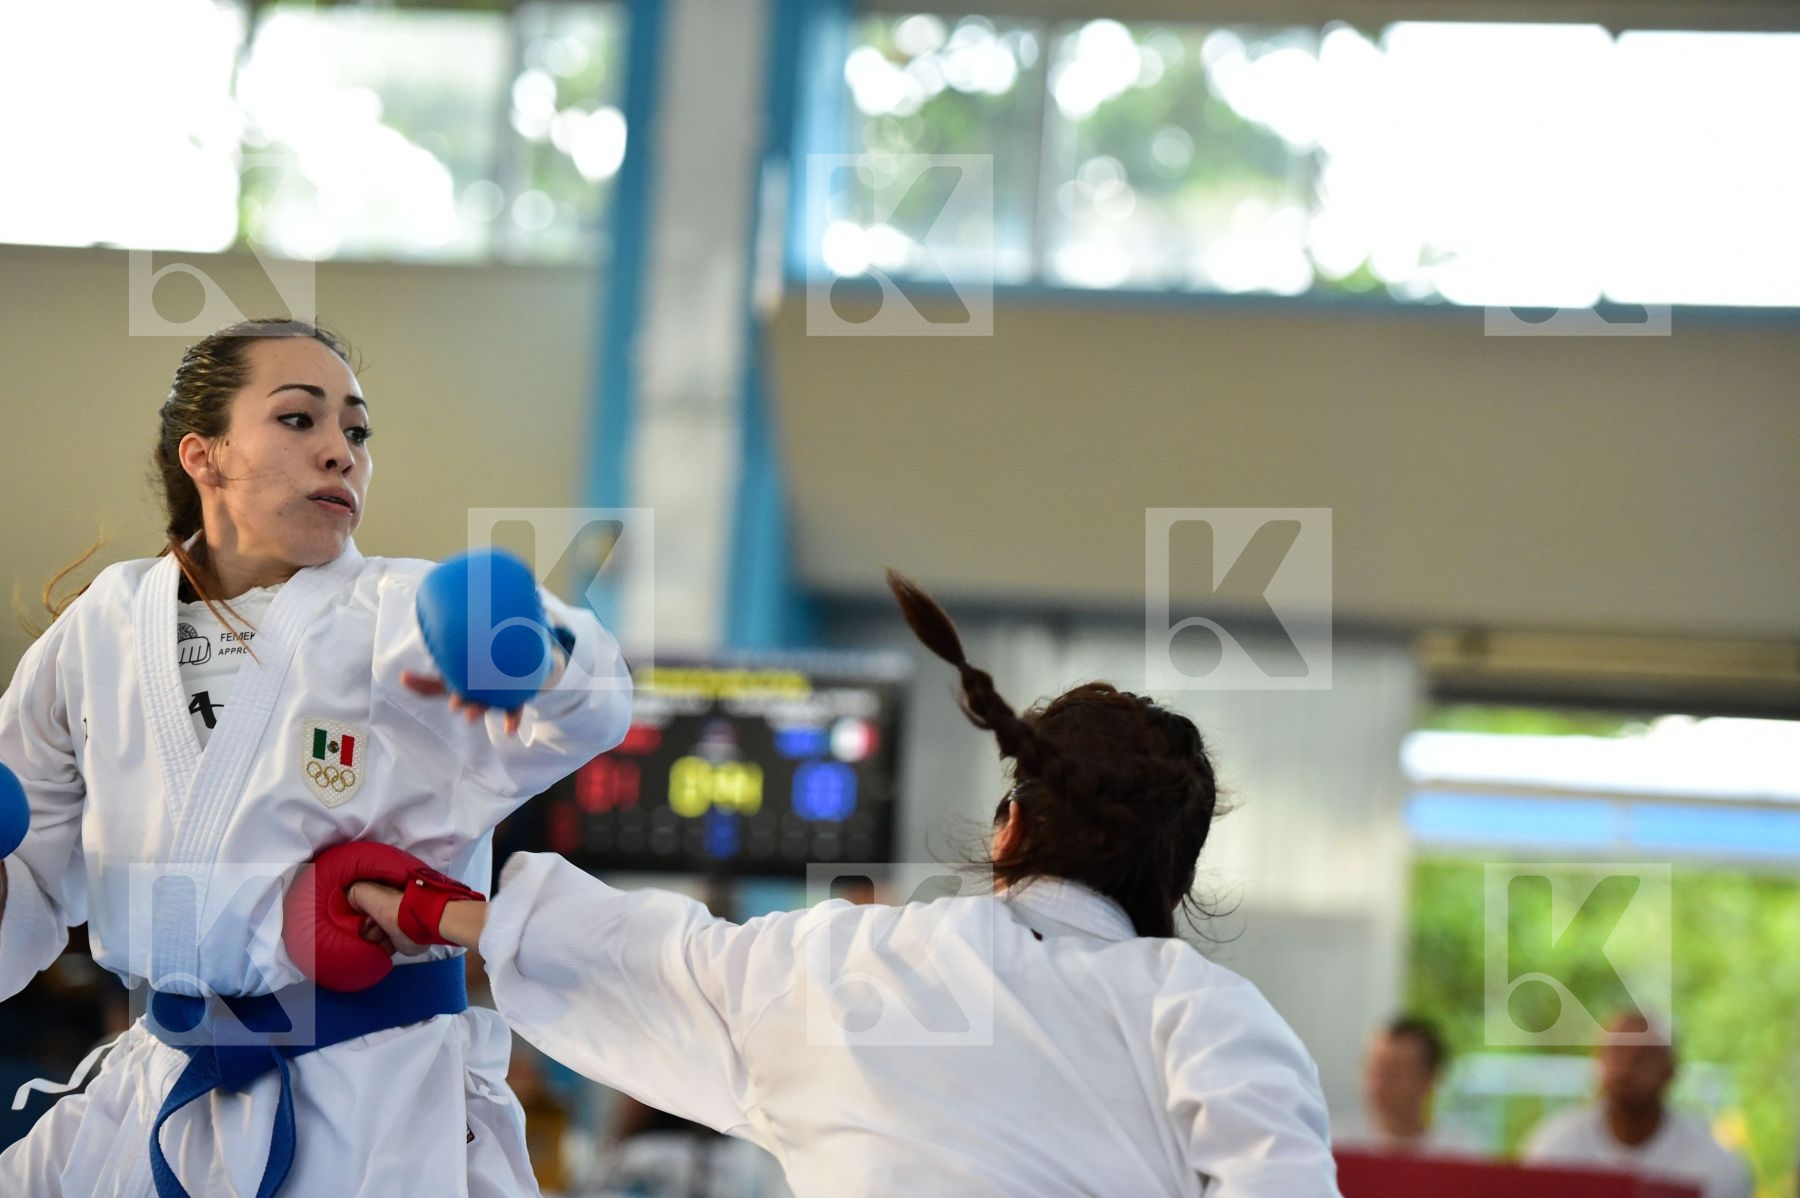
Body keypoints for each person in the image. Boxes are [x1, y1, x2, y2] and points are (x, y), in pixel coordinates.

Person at [351, 570, 1341, 1196]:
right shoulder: (1211, 1015)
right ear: (1171, 874)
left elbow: (645, 958)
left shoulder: (854, 959)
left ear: (1012, 828)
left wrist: (427, 905)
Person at [0, 318, 632, 1196]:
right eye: (300, 420)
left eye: (357, 431)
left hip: (374, 1099)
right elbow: (26, 892)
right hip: (156, 1088)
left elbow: (589, 712)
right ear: (204, 454)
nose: (341, 452)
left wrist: (531, 648)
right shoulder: (101, 629)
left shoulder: (400, 612)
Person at [1523, 1013, 1753, 1198]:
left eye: (1643, 1056)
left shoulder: (1716, 1167)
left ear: (1671, 1070)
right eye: (1617, 1053)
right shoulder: (1553, 1149)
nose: (1626, 1067)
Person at [1338, 1015, 1480, 1156]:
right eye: (1375, 1068)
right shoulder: (1332, 1146)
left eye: (1396, 1070)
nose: (1379, 1081)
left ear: (1430, 1077)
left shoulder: (1458, 1154)